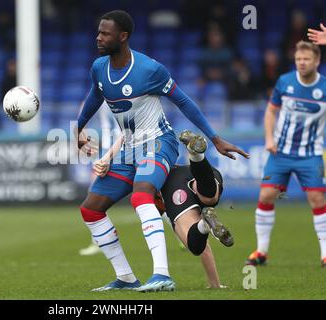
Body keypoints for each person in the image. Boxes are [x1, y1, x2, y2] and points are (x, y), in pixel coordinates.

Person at [76, 10, 249, 292]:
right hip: (129, 149)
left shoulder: (149, 70)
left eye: (105, 33)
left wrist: (215, 138)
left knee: (142, 196)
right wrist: (78, 129)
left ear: (123, 37)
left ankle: (162, 275)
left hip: (159, 143)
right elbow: (95, 97)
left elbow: (184, 101)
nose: (98, 37)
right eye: (98, 32)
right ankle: (126, 278)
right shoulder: (98, 68)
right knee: (90, 210)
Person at [94, 130, 233, 289]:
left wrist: (106, 159)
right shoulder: (154, 139)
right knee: (210, 198)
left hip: (174, 183)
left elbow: (202, 249)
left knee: (194, 244)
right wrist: (215, 285)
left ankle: (203, 224)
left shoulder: (154, 196)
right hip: (206, 173)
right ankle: (197, 157)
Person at [245, 41, 326, 268]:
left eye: (306, 59)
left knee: (317, 199)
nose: (301, 63)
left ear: (317, 61)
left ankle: (325, 254)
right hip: (280, 152)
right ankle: (261, 252)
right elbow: (271, 112)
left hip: (311, 155)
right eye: (299, 59)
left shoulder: (325, 88)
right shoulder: (285, 82)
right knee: (265, 196)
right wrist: (269, 138)